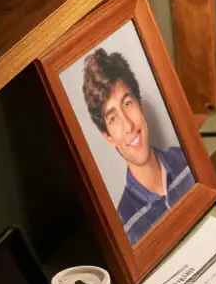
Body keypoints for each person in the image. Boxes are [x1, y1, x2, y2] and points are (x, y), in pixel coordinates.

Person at [81, 47, 195, 245]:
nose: (129, 125)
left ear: (140, 106)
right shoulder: (125, 227)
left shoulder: (190, 162)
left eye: (127, 104)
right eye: (114, 118)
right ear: (109, 137)